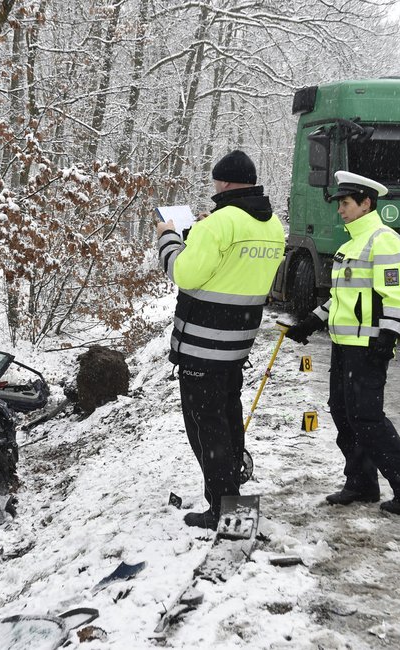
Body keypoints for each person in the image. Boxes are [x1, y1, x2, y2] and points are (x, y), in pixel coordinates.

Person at [285, 171, 400, 515]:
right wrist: (312, 321)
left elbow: (398, 298)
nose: (340, 209)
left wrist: (387, 337)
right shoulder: (349, 245)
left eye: (346, 203)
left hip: (368, 348)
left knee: (367, 418)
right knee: (343, 412)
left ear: (366, 203)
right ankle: (361, 483)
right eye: (340, 203)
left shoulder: (383, 241)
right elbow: (342, 299)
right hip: (344, 345)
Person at [155, 150, 286, 529]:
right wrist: (202, 235)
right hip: (238, 341)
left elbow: (186, 273)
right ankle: (232, 491)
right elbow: (235, 268)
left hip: (202, 343)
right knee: (227, 417)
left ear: (224, 183)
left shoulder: (219, 224)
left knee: (204, 424)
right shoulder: (271, 224)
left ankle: (222, 509)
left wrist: (168, 239)